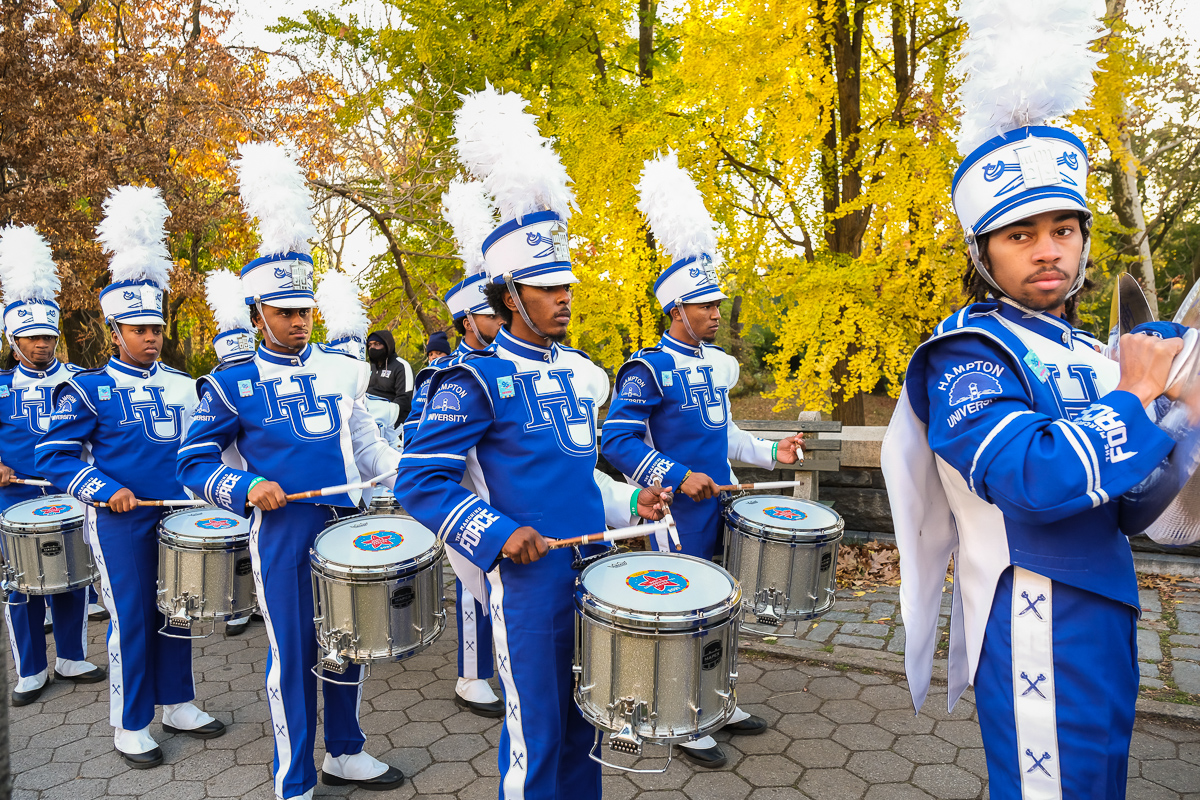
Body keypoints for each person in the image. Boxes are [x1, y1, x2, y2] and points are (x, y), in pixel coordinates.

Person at [882, 7, 1183, 797]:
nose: (1048, 250)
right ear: (983, 251)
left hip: (1107, 612)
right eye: (1020, 235)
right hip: (1034, 616)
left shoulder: (1089, 352)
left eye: (1063, 229)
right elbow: (1033, 481)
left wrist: (1180, 416)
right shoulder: (965, 352)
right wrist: (1140, 393)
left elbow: (1133, 507)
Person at [396, 85, 672, 800]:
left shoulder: (575, 374)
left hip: (595, 569)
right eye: (547, 288)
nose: (564, 296)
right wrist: (496, 534)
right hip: (526, 583)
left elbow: (576, 478)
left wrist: (631, 500)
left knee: (591, 728)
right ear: (509, 296)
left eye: (566, 285)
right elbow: (418, 481)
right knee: (538, 739)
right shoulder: (471, 380)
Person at [176, 142, 403, 799]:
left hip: (346, 523)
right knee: (296, 651)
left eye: (305, 311)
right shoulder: (229, 384)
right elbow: (193, 462)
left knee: (349, 640)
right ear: (257, 316)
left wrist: (415, 475)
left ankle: (346, 751)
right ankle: (295, 776)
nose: (299, 322)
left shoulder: (344, 371)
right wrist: (247, 486)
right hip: (281, 531)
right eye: (284, 313)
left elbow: (369, 451)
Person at [601, 151, 804, 768]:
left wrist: (773, 451)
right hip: (672, 515)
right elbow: (617, 442)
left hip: (720, 508)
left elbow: (727, 436)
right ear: (676, 311)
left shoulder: (713, 368)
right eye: (705, 305)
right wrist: (676, 476)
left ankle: (718, 699)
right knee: (682, 611)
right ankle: (682, 718)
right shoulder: (646, 367)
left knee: (722, 606)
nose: (716, 313)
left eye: (717, 304)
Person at [36, 187, 224, 768]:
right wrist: (104, 490)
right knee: (135, 618)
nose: (151, 337)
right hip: (120, 519)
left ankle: (179, 703)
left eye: (156, 328)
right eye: (139, 329)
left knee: (179, 608)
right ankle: (131, 722)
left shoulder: (184, 385)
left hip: (178, 514)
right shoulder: (86, 387)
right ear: (115, 331)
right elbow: (54, 456)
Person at [403, 178, 505, 717]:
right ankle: (471, 674)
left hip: (509, 492)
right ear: (468, 321)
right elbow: (419, 434)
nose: (499, 321)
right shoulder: (441, 374)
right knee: (472, 584)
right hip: (466, 496)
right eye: (490, 315)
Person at [0, 224, 105, 706]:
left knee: (73, 574)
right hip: (14, 496)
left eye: (47, 336)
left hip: (68, 490)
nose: (41, 345)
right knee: (20, 583)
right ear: (13, 341)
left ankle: (71, 656)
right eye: (31, 338)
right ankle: (30, 670)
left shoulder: (81, 379)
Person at [201, 268, 258, 638]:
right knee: (234, 544)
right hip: (232, 478)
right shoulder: (218, 387)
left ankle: (257, 601)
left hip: (262, 476)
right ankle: (237, 603)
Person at [366, 329, 413, 421]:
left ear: (387, 345)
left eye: (377, 344)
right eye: (370, 345)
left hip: (393, 421)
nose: (372, 348)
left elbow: (405, 398)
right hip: (368, 418)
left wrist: (384, 414)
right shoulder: (370, 367)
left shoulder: (401, 366)